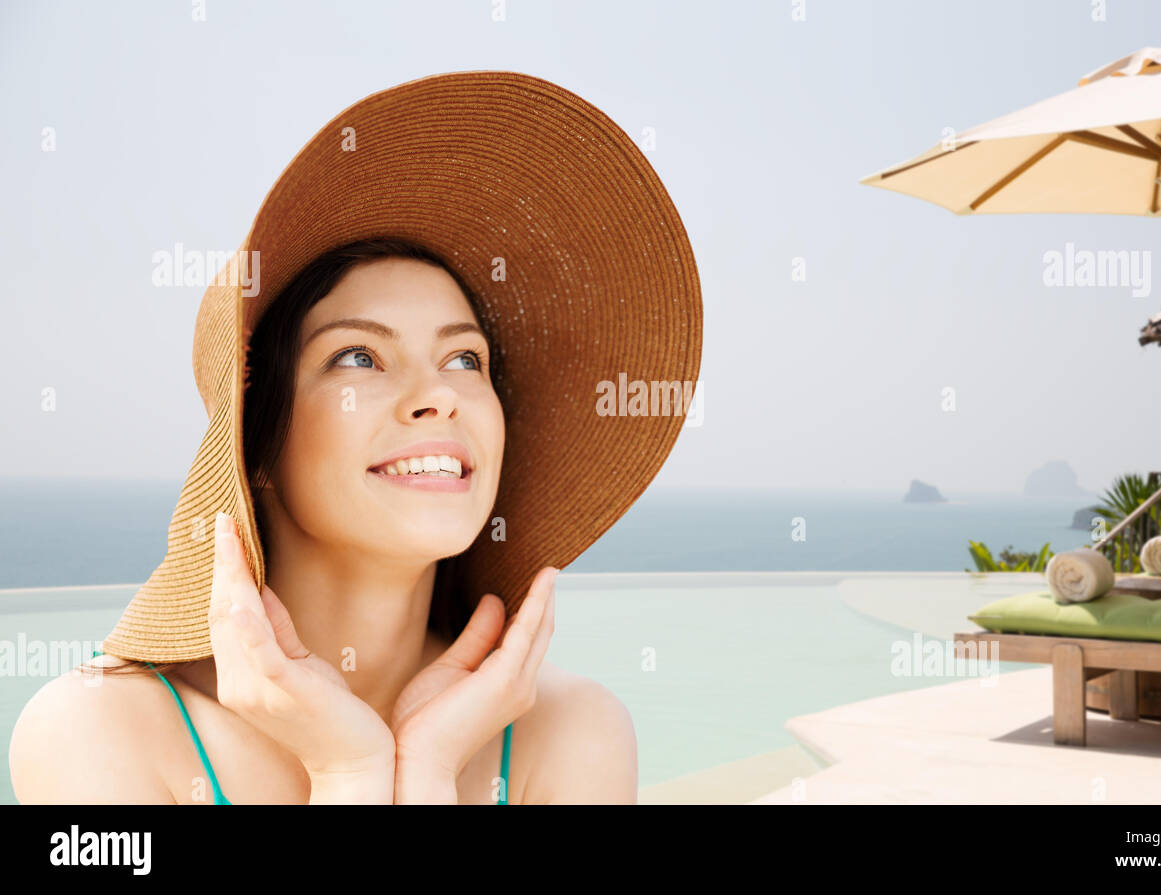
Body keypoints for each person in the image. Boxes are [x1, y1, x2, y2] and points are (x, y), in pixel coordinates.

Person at [9, 71, 702, 804]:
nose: (439, 395)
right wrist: (350, 774)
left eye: (465, 358)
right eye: (358, 357)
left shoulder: (571, 732)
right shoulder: (95, 730)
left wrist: (427, 769)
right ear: (257, 442)